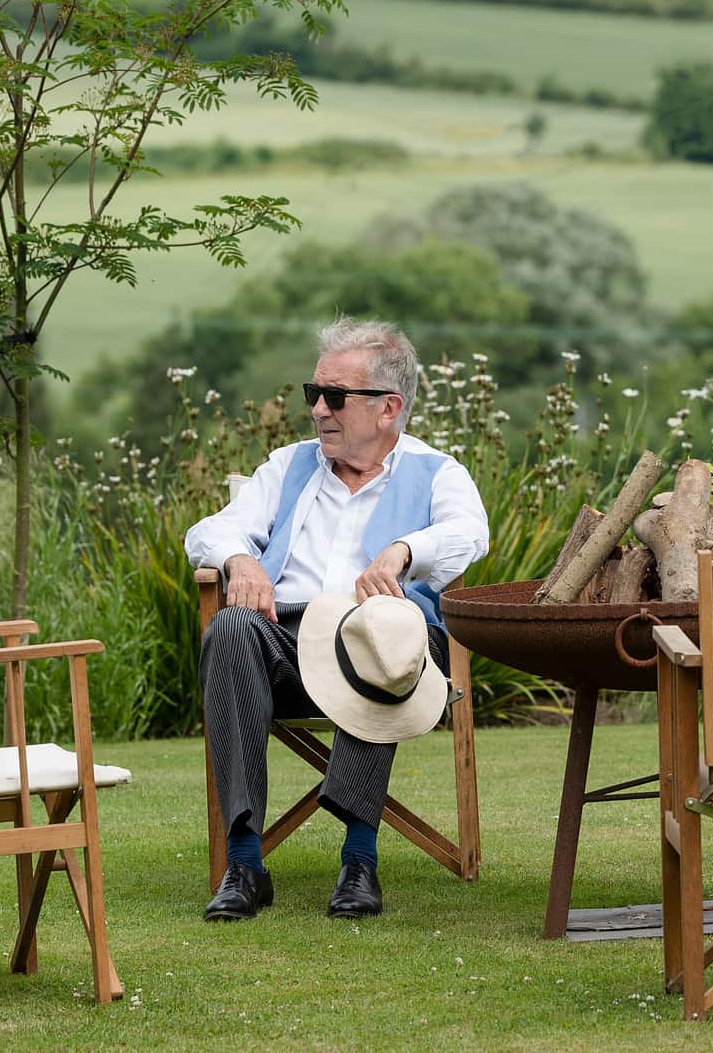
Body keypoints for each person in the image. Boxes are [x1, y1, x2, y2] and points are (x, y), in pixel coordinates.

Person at [184, 318, 489, 922]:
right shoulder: (288, 466)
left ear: (388, 408)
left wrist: (405, 550)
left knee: (377, 628)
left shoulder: (437, 473)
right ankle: (244, 864)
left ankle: (359, 858)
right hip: (284, 637)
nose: (319, 409)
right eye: (313, 394)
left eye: (335, 397)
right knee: (229, 627)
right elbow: (209, 529)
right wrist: (239, 558)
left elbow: (469, 535)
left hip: (387, 642)